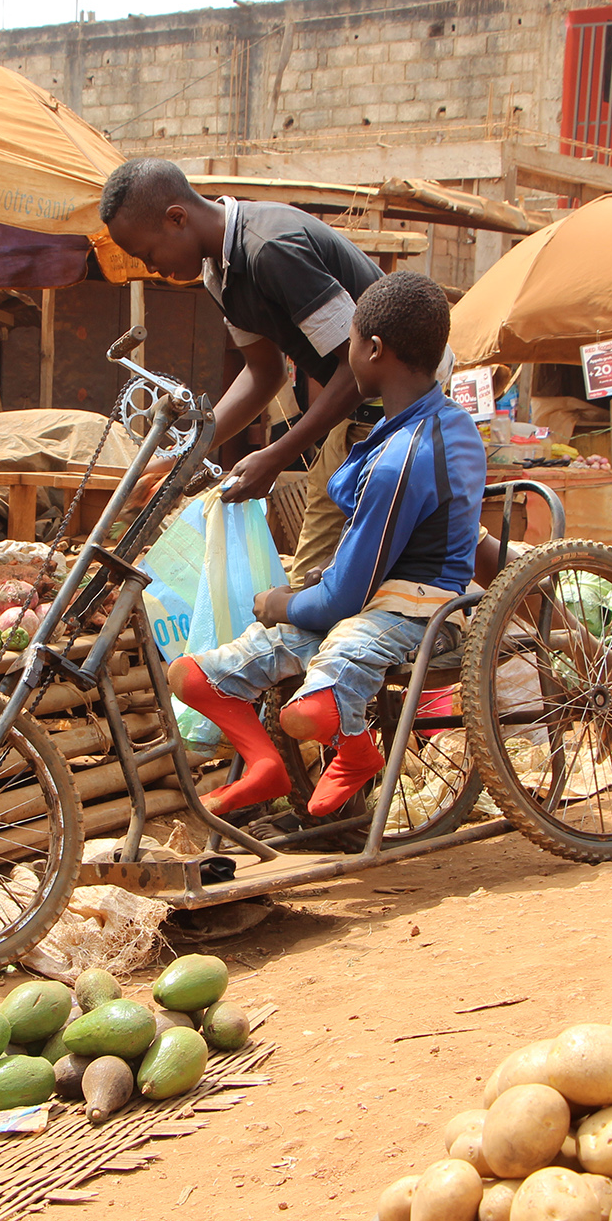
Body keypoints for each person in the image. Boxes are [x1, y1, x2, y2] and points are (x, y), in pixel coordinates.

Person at [165, 272, 486, 818]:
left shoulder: (401, 458)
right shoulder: (418, 425)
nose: (347, 358)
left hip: (421, 606)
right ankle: (266, 766)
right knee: (193, 677)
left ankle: (358, 753)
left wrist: (279, 603)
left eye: (352, 344)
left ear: (374, 349)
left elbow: (342, 599)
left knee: (309, 711)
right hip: (371, 598)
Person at [101, 160, 501, 583]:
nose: (152, 268)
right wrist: (184, 456)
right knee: (314, 571)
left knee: (450, 544)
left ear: (177, 218)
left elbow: (356, 369)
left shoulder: (270, 249)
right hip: (355, 409)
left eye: (148, 254)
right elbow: (263, 373)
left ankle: (551, 614)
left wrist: (276, 455)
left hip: (408, 404)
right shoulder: (218, 273)